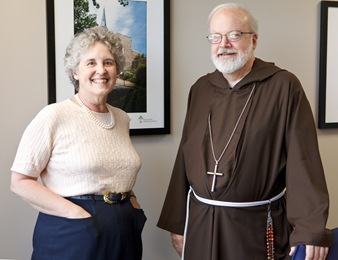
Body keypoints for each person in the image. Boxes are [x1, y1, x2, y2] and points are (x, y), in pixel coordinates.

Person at [157, 3, 331, 260]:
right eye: (215, 37)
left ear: (254, 39)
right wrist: (177, 221)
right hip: (201, 222)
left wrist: (310, 228)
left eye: (234, 35)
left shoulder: (283, 86)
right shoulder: (201, 89)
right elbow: (186, 156)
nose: (223, 44)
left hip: (254, 227)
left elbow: (303, 158)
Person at [10, 26, 146, 260]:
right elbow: (20, 181)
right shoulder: (54, 115)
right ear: (75, 72)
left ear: (117, 70)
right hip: (73, 230)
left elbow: (117, 170)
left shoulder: (122, 118)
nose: (100, 70)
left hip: (124, 229)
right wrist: (74, 213)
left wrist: (133, 206)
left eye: (108, 62)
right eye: (90, 63)